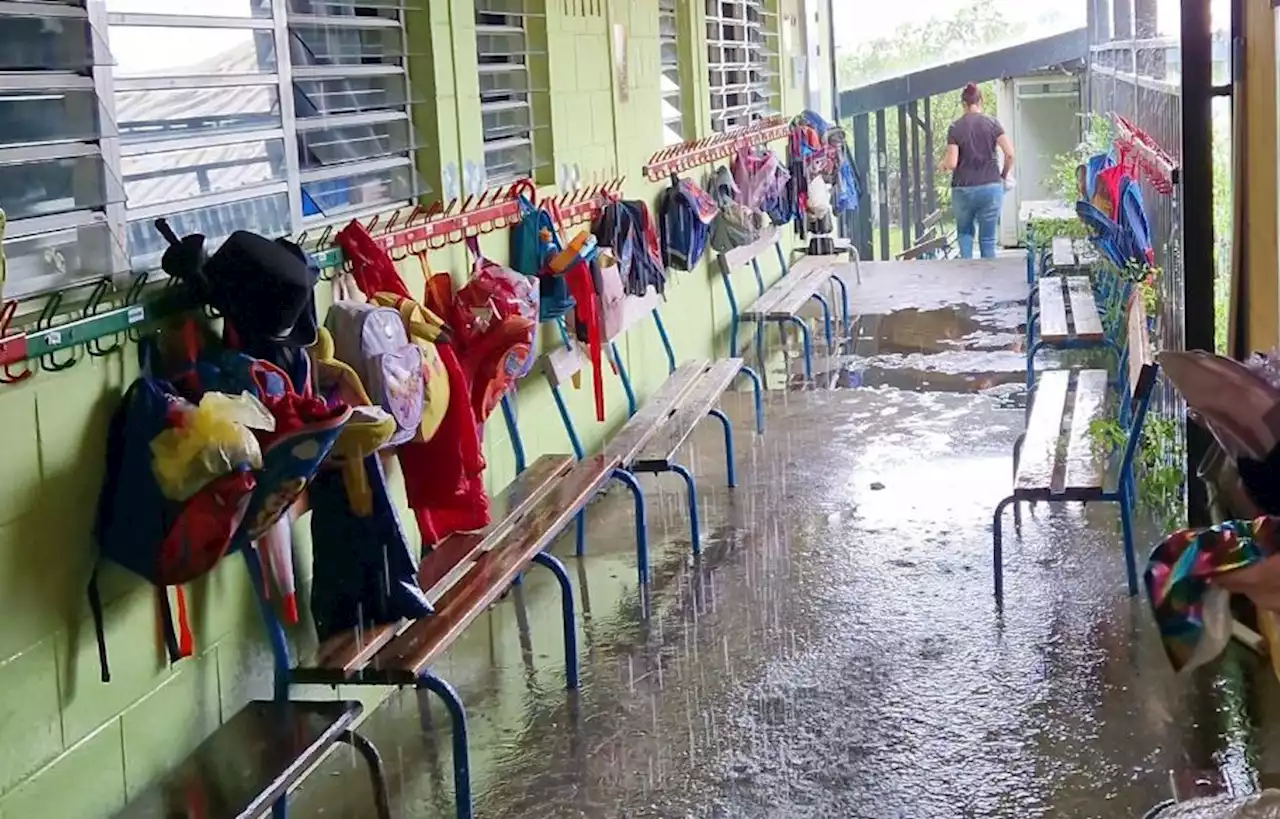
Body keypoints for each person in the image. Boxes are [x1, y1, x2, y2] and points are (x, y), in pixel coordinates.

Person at [939, 83, 1015, 259]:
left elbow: (952, 163)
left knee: (965, 234)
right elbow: (1010, 154)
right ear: (980, 101)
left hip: (963, 189)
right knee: (988, 239)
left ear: (963, 103)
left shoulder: (955, 127)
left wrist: (942, 164)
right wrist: (1002, 175)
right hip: (990, 188)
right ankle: (988, 282)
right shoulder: (993, 123)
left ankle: (966, 275)